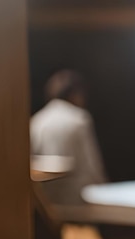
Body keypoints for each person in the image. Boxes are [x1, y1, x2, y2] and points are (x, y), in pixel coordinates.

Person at [31, 69, 107, 205]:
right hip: (79, 199)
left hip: (48, 201)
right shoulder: (79, 118)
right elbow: (91, 164)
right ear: (75, 94)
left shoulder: (37, 120)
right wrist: (104, 191)